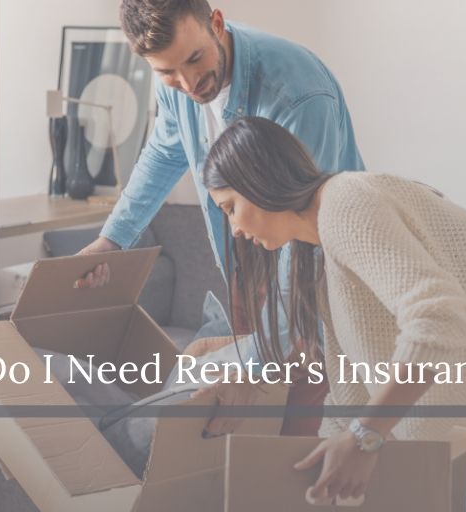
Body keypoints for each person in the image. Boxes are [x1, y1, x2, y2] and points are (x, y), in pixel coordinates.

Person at [202, 116, 466, 511]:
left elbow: (438, 316)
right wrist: (331, 460)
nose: (236, 230)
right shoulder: (316, 258)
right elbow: (350, 389)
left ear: (259, 180)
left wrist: (363, 437)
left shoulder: (345, 201)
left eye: (231, 209)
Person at [76, 0, 364, 435]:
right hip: (246, 257)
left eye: (195, 59)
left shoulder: (299, 93)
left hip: (311, 263)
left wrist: (255, 366)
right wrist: (113, 238)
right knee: (234, 420)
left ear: (216, 23)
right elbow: (164, 151)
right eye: (168, 72)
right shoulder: (173, 76)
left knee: (298, 408)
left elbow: (304, 232)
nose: (188, 83)